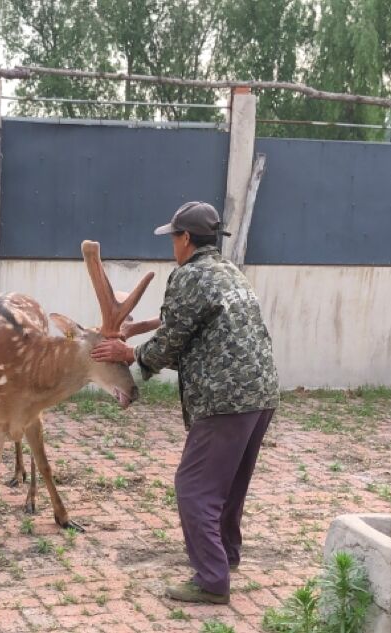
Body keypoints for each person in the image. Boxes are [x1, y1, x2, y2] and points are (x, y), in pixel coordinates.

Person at [91, 201, 279, 604]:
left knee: (194, 488)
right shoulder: (230, 272)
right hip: (261, 394)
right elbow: (196, 343)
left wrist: (131, 357)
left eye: (173, 237)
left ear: (186, 238)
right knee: (228, 484)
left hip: (225, 398)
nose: (171, 245)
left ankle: (212, 581)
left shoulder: (189, 276)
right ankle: (224, 555)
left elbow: (171, 340)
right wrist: (140, 359)